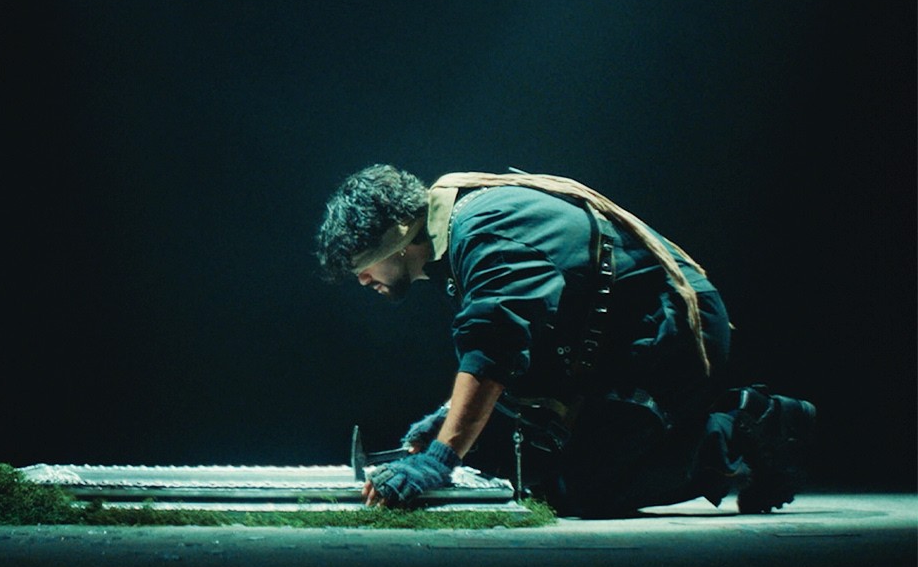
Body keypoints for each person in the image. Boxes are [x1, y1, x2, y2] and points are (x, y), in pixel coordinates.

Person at [314, 165, 816, 517]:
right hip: (627, 338)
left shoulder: (483, 228)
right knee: (562, 484)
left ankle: (752, 425)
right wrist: (447, 418)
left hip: (671, 331)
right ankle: (731, 433)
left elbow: (495, 345)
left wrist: (441, 457)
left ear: (399, 236)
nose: (364, 280)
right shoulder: (468, 229)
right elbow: (512, 343)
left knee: (589, 490)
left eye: (363, 266)